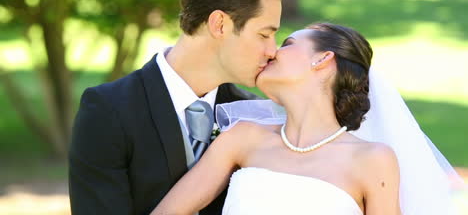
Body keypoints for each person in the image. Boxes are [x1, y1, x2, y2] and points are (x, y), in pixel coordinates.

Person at [151, 23, 460, 214]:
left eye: (287, 44)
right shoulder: (241, 139)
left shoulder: (373, 160)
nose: (271, 51)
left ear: (323, 59)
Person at [68, 0, 288, 214]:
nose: (272, 51)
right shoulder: (108, 111)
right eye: (264, 35)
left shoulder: (253, 115)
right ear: (219, 24)